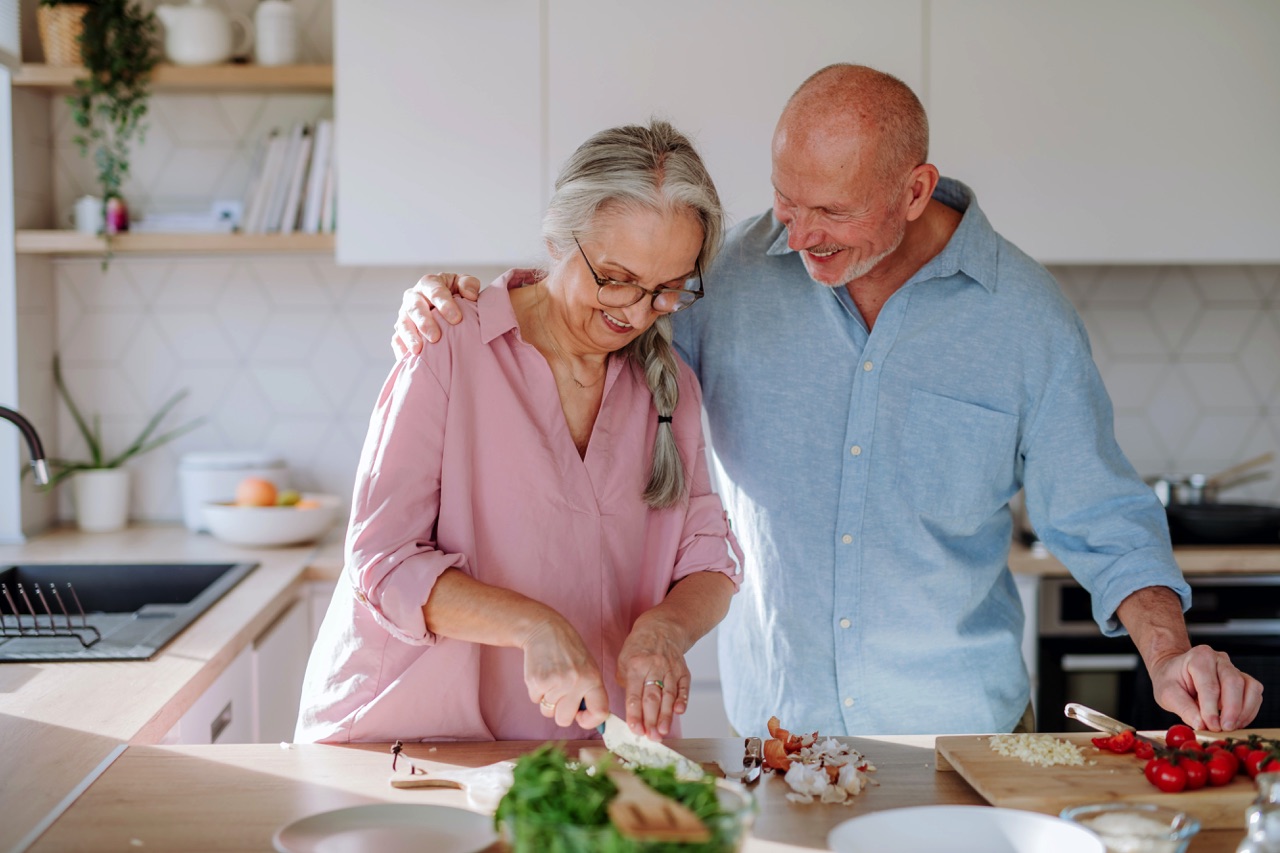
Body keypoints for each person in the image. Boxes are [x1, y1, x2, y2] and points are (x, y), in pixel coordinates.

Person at [391, 65, 1264, 736]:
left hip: (961, 745)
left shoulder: (1025, 320)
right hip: (772, 741)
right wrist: (463, 301)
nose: (797, 235)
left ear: (915, 190)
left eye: (831, 213)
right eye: (784, 201)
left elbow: (1106, 519)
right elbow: (596, 331)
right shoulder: (726, 281)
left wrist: (1171, 652)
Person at [295, 120, 742, 744]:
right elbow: (382, 561)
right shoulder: (447, 343)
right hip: (410, 745)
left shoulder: (670, 387)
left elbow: (710, 559)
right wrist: (534, 626)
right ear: (560, 237)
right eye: (614, 277)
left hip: (583, 745)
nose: (637, 314)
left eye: (667, 289)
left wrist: (667, 628)